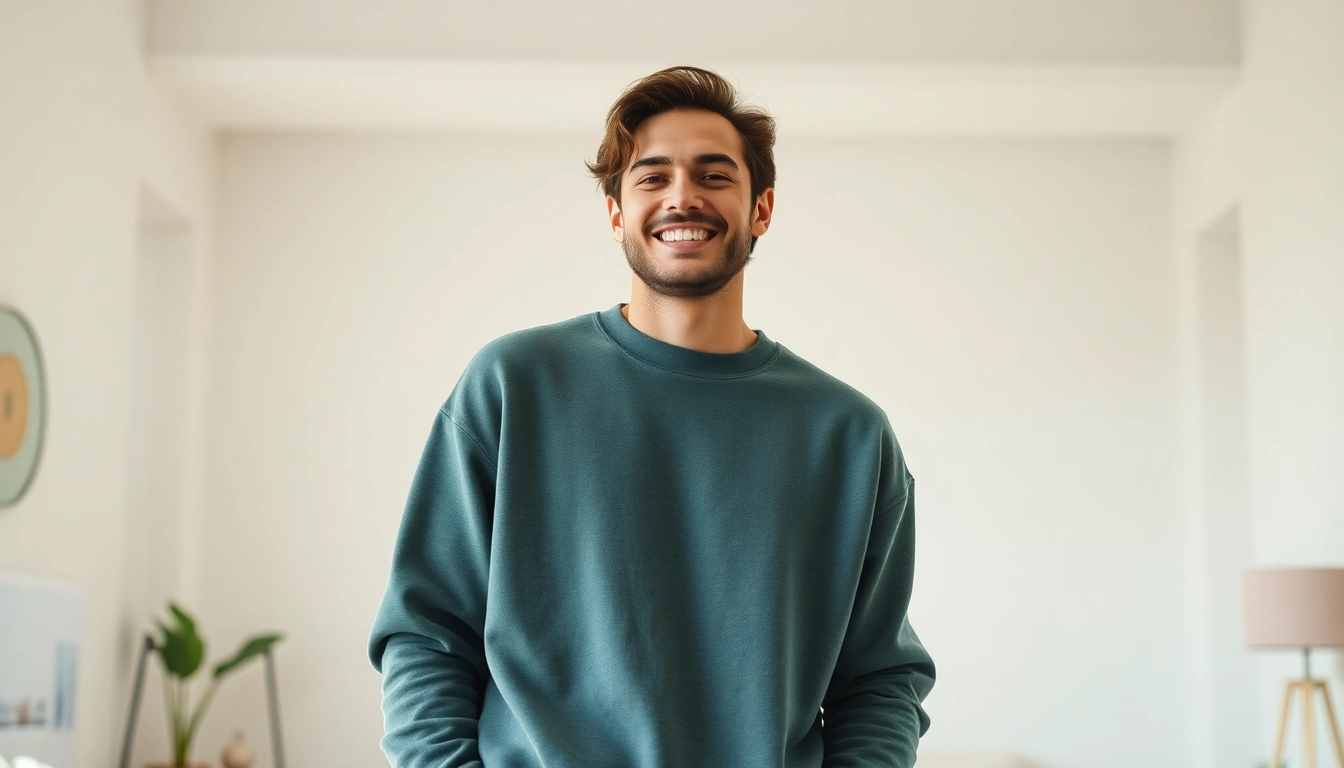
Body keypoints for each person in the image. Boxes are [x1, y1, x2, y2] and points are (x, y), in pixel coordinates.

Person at [368, 65, 935, 768]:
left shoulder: (848, 435)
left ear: (762, 209)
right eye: (652, 176)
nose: (682, 197)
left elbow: (880, 677)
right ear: (616, 214)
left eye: (714, 175)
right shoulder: (513, 386)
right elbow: (426, 633)